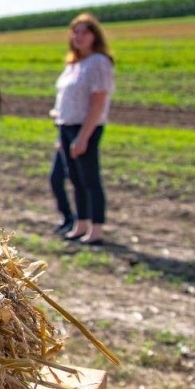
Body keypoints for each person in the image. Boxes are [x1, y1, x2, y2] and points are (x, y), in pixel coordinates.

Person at [49, 13, 114, 244]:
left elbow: (98, 102)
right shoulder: (73, 63)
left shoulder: (98, 62)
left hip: (85, 127)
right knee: (75, 179)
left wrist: (83, 137)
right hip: (65, 126)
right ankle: (81, 223)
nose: (78, 36)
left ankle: (96, 229)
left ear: (94, 36)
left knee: (90, 179)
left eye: (84, 32)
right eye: (75, 32)